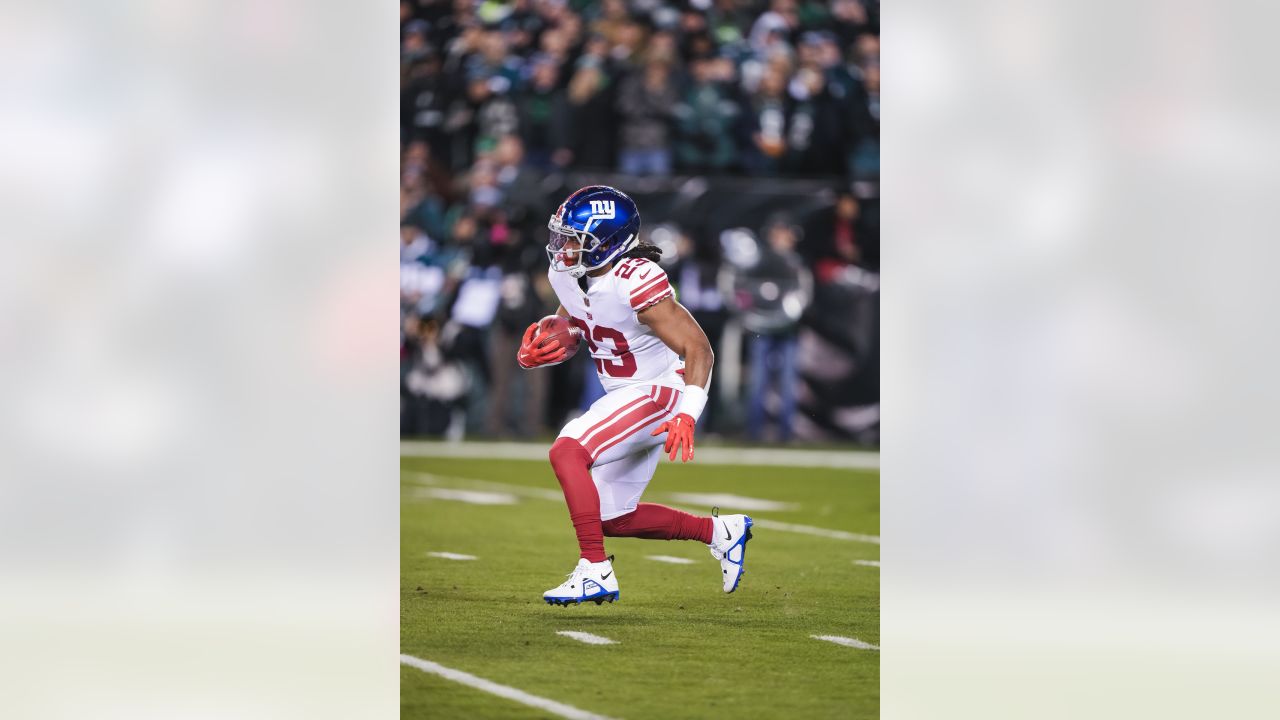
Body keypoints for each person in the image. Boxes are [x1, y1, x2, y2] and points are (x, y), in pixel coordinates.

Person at [517, 185, 754, 606]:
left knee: (567, 451)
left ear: (607, 243)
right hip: (626, 392)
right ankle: (720, 533)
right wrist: (559, 338)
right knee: (614, 516)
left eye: (575, 239)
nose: (563, 247)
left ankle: (594, 570)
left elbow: (699, 348)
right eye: (562, 236)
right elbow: (578, 315)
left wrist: (688, 413)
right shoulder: (565, 274)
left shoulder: (635, 280)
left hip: (660, 391)